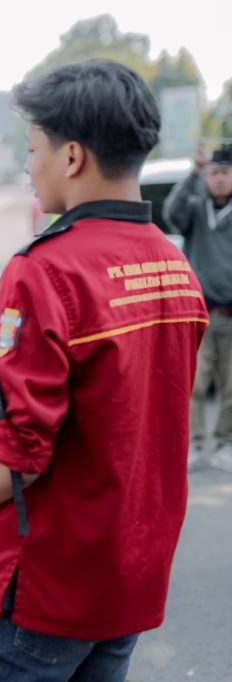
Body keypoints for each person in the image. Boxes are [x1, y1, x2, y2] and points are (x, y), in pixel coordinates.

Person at [0, 60, 208, 681]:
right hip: (128, 581)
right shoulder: (173, 267)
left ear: (70, 156)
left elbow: (21, 457)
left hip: (41, 587)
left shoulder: (45, 268)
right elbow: (119, 388)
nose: (26, 165)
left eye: (31, 147)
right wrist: (0, 346)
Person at [163, 143, 232, 471]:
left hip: (230, 314)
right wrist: (193, 173)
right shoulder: (195, 209)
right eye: (214, 173)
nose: (219, 179)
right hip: (198, 314)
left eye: (225, 173)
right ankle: (193, 444)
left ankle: (223, 444)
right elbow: (171, 213)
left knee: (231, 386)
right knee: (194, 383)